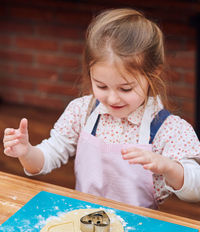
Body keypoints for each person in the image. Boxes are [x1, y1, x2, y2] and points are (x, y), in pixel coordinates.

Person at [3, 8, 200, 208]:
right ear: (90, 72)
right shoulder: (82, 111)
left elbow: (196, 189)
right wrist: (26, 152)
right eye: (101, 86)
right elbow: (45, 159)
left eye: (125, 88)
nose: (112, 98)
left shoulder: (169, 129)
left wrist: (169, 167)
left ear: (153, 74)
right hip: (85, 222)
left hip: (140, 228)